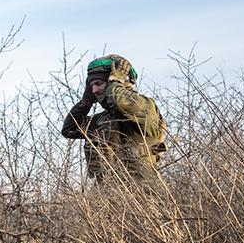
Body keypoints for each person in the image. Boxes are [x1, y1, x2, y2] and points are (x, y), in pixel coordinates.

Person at [62, 54, 166, 183]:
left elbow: (121, 103)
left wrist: (116, 81)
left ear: (120, 80)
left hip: (142, 196)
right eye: (91, 86)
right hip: (107, 197)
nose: (94, 90)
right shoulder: (102, 120)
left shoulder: (146, 108)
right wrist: (85, 103)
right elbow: (69, 129)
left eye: (98, 83)